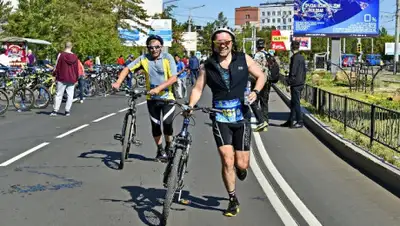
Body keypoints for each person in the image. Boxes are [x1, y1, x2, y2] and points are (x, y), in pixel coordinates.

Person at [186, 27, 265, 217]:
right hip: (220, 117)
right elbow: (198, 89)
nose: (223, 45)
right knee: (227, 160)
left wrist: (255, 92)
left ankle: (241, 169)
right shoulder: (208, 66)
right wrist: (190, 105)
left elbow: (262, 76)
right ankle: (232, 198)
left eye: (226, 42)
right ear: (214, 44)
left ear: (232, 43)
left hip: (242, 116)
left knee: (242, 164)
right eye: (219, 42)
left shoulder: (243, 59)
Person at [112, 35, 178, 162]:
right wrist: (118, 82)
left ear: (161, 47)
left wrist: (159, 88)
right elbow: (127, 68)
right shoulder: (144, 59)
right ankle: (160, 150)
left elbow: (173, 78)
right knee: (156, 125)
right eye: (151, 47)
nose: (154, 50)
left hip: (167, 97)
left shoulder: (167, 58)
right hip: (151, 98)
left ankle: (169, 146)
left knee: (167, 123)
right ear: (148, 48)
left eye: (157, 47)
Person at [281, 40, 306, 129]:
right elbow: (304, 72)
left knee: (296, 103)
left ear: (292, 47)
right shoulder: (302, 57)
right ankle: (290, 120)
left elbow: (293, 72)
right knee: (293, 103)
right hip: (300, 83)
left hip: (295, 84)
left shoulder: (294, 58)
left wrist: (288, 83)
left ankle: (300, 121)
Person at [50, 42, 79, 117]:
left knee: (59, 94)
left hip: (62, 77)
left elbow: (57, 66)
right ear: (71, 47)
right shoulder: (75, 57)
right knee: (70, 95)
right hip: (71, 78)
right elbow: (76, 69)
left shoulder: (61, 55)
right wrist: (76, 78)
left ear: (65, 46)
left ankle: (55, 110)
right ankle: (67, 111)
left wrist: (54, 74)